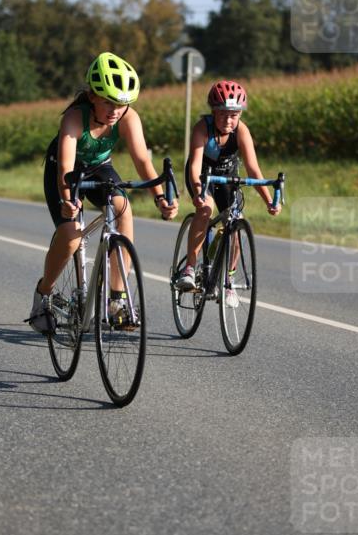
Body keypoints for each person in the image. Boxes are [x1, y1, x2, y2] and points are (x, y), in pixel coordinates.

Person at [29, 52, 177, 333]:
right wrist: (67, 200)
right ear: (92, 96)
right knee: (72, 237)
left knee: (123, 210)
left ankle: (117, 301)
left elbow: (143, 161)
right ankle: (43, 294)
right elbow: (66, 167)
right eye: (108, 102)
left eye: (122, 104)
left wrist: (160, 197)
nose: (115, 110)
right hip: (65, 170)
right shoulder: (74, 118)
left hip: (99, 167)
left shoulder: (128, 118)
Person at [176, 79, 281, 300]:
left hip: (226, 177)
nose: (228, 120)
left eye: (234, 115)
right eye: (223, 114)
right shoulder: (202, 128)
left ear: (240, 115)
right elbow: (194, 166)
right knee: (205, 209)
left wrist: (270, 201)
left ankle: (229, 280)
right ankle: (190, 268)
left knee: (235, 221)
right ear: (213, 112)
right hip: (201, 175)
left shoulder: (241, 131)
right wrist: (198, 193)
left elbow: (253, 169)